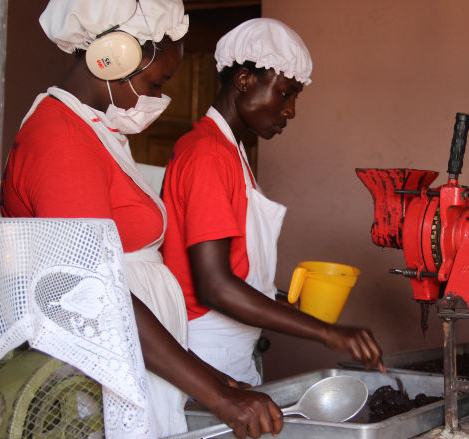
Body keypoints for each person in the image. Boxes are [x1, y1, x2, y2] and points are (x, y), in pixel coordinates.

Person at [1, 1, 283, 438]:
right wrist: (217, 393)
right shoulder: (61, 138)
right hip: (97, 377)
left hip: (138, 358)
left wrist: (209, 375)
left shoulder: (96, 130)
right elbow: (95, 291)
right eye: (156, 82)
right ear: (113, 55)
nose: (157, 99)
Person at [161, 18, 386, 386]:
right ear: (245, 79)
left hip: (229, 350)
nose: (291, 111)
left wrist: (284, 304)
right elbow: (214, 286)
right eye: (285, 93)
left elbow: (234, 271)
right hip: (205, 353)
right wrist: (327, 333)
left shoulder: (230, 152)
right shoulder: (208, 155)